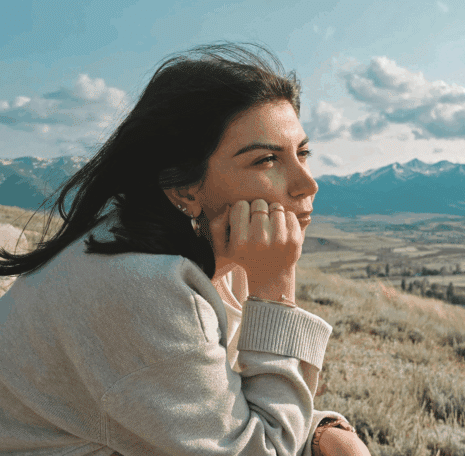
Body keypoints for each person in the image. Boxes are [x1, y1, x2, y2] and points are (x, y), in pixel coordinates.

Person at [0, 43, 370, 456]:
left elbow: (214, 407)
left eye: (302, 153)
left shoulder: (215, 258)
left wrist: (322, 430)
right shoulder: (144, 291)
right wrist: (277, 291)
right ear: (183, 188)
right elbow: (259, 450)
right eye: (266, 160)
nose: (307, 184)